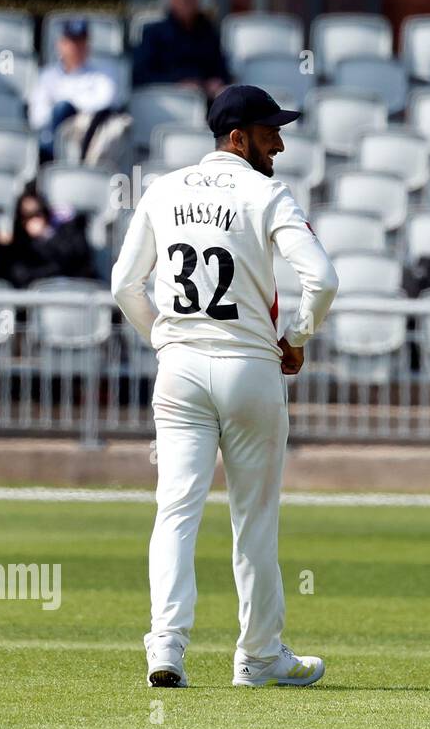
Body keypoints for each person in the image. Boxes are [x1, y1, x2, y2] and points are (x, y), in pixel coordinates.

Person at [111, 84, 339, 689]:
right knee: (254, 520)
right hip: (249, 368)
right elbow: (323, 278)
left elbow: (123, 284)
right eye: (270, 132)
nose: (281, 142)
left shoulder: (162, 189)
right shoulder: (265, 193)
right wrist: (297, 337)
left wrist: (162, 337)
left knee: (175, 512)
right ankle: (260, 657)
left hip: (180, 367)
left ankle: (166, 647)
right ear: (237, 137)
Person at [28, 19, 120, 163]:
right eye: (72, 42)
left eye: (81, 42)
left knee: (63, 107)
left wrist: (69, 103)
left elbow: (106, 101)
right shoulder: (48, 76)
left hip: (86, 136)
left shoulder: (102, 74)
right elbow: (37, 116)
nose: (77, 48)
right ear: (60, 44)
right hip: (52, 138)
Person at [132, 0, 232, 99]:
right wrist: (176, 83)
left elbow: (221, 69)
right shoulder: (153, 33)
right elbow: (140, 74)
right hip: (168, 100)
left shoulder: (208, 32)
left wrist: (215, 82)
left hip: (207, 101)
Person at [6, 191, 95, 288]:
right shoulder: (18, 247)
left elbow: (77, 258)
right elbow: (21, 276)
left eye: (37, 213)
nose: (34, 220)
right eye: (26, 215)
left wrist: (46, 236)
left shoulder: (67, 232)